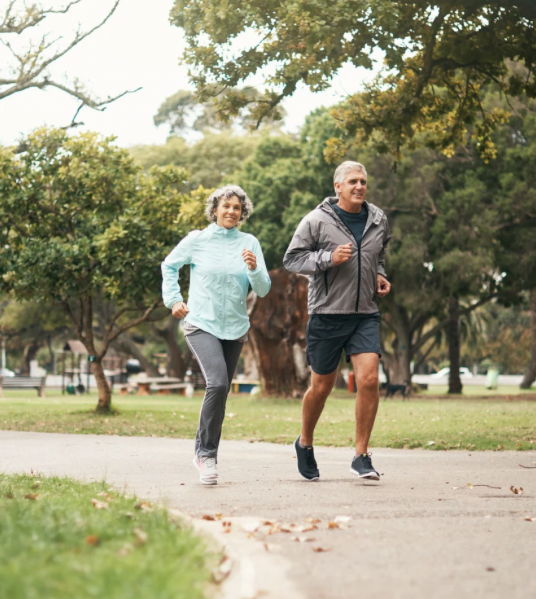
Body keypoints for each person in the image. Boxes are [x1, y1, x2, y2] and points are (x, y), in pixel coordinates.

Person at [283, 161, 392, 481]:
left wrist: (380, 273)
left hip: (364, 314)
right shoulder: (316, 221)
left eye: (363, 181)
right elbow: (293, 258)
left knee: (369, 379)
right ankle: (304, 443)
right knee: (321, 387)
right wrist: (328, 259)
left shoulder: (378, 219)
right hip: (327, 314)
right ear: (338, 187)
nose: (359, 186)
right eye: (353, 182)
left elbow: (379, 251)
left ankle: (361, 455)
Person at [161, 185, 272, 485]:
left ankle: (204, 451)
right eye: (226, 206)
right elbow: (169, 265)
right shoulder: (197, 240)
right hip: (201, 323)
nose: (231, 211)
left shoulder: (249, 243)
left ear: (242, 212)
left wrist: (253, 269)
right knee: (218, 383)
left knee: (220, 393)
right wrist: (173, 299)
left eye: (237, 207)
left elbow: (262, 288)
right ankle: (206, 455)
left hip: (235, 328)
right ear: (215, 210)